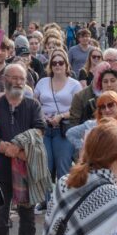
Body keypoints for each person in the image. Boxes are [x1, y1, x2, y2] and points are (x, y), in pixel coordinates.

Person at [0, 63, 47, 235]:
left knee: (28, 215)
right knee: (1, 215)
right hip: (1, 167)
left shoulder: (33, 105)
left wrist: (20, 147)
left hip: (25, 166)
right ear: (5, 79)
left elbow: (40, 129)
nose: (18, 82)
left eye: (22, 79)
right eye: (14, 78)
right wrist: (4, 147)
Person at [34, 49, 82, 189]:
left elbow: (76, 109)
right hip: (45, 129)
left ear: (66, 65)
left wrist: (61, 116)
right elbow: (34, 102)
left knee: (63, 167)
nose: (57, 65)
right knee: (46, 166)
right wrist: (41, 116)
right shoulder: (43, 82)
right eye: (54, 63)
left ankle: (64, 201)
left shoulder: (74, 84)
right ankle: (48, 203)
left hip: (64, 129)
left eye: (61, 62)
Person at [66, 90, 117, 155]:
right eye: (103, 107)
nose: (107, 110)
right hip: (98, 169)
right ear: (100, 110)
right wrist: (84, 147)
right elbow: (70, 133)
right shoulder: (91, 125)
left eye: (110, 105)